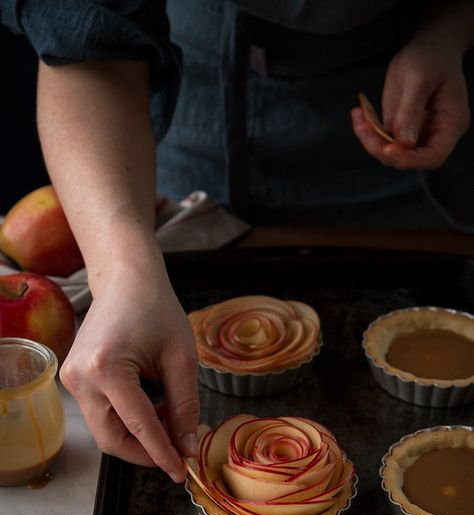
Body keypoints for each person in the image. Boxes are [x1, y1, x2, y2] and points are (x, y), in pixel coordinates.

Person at [0, 0, 473, 482]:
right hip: (169, 114)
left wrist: (449, 27)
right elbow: (89, 37)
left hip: (408, 130)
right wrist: (123, 273)